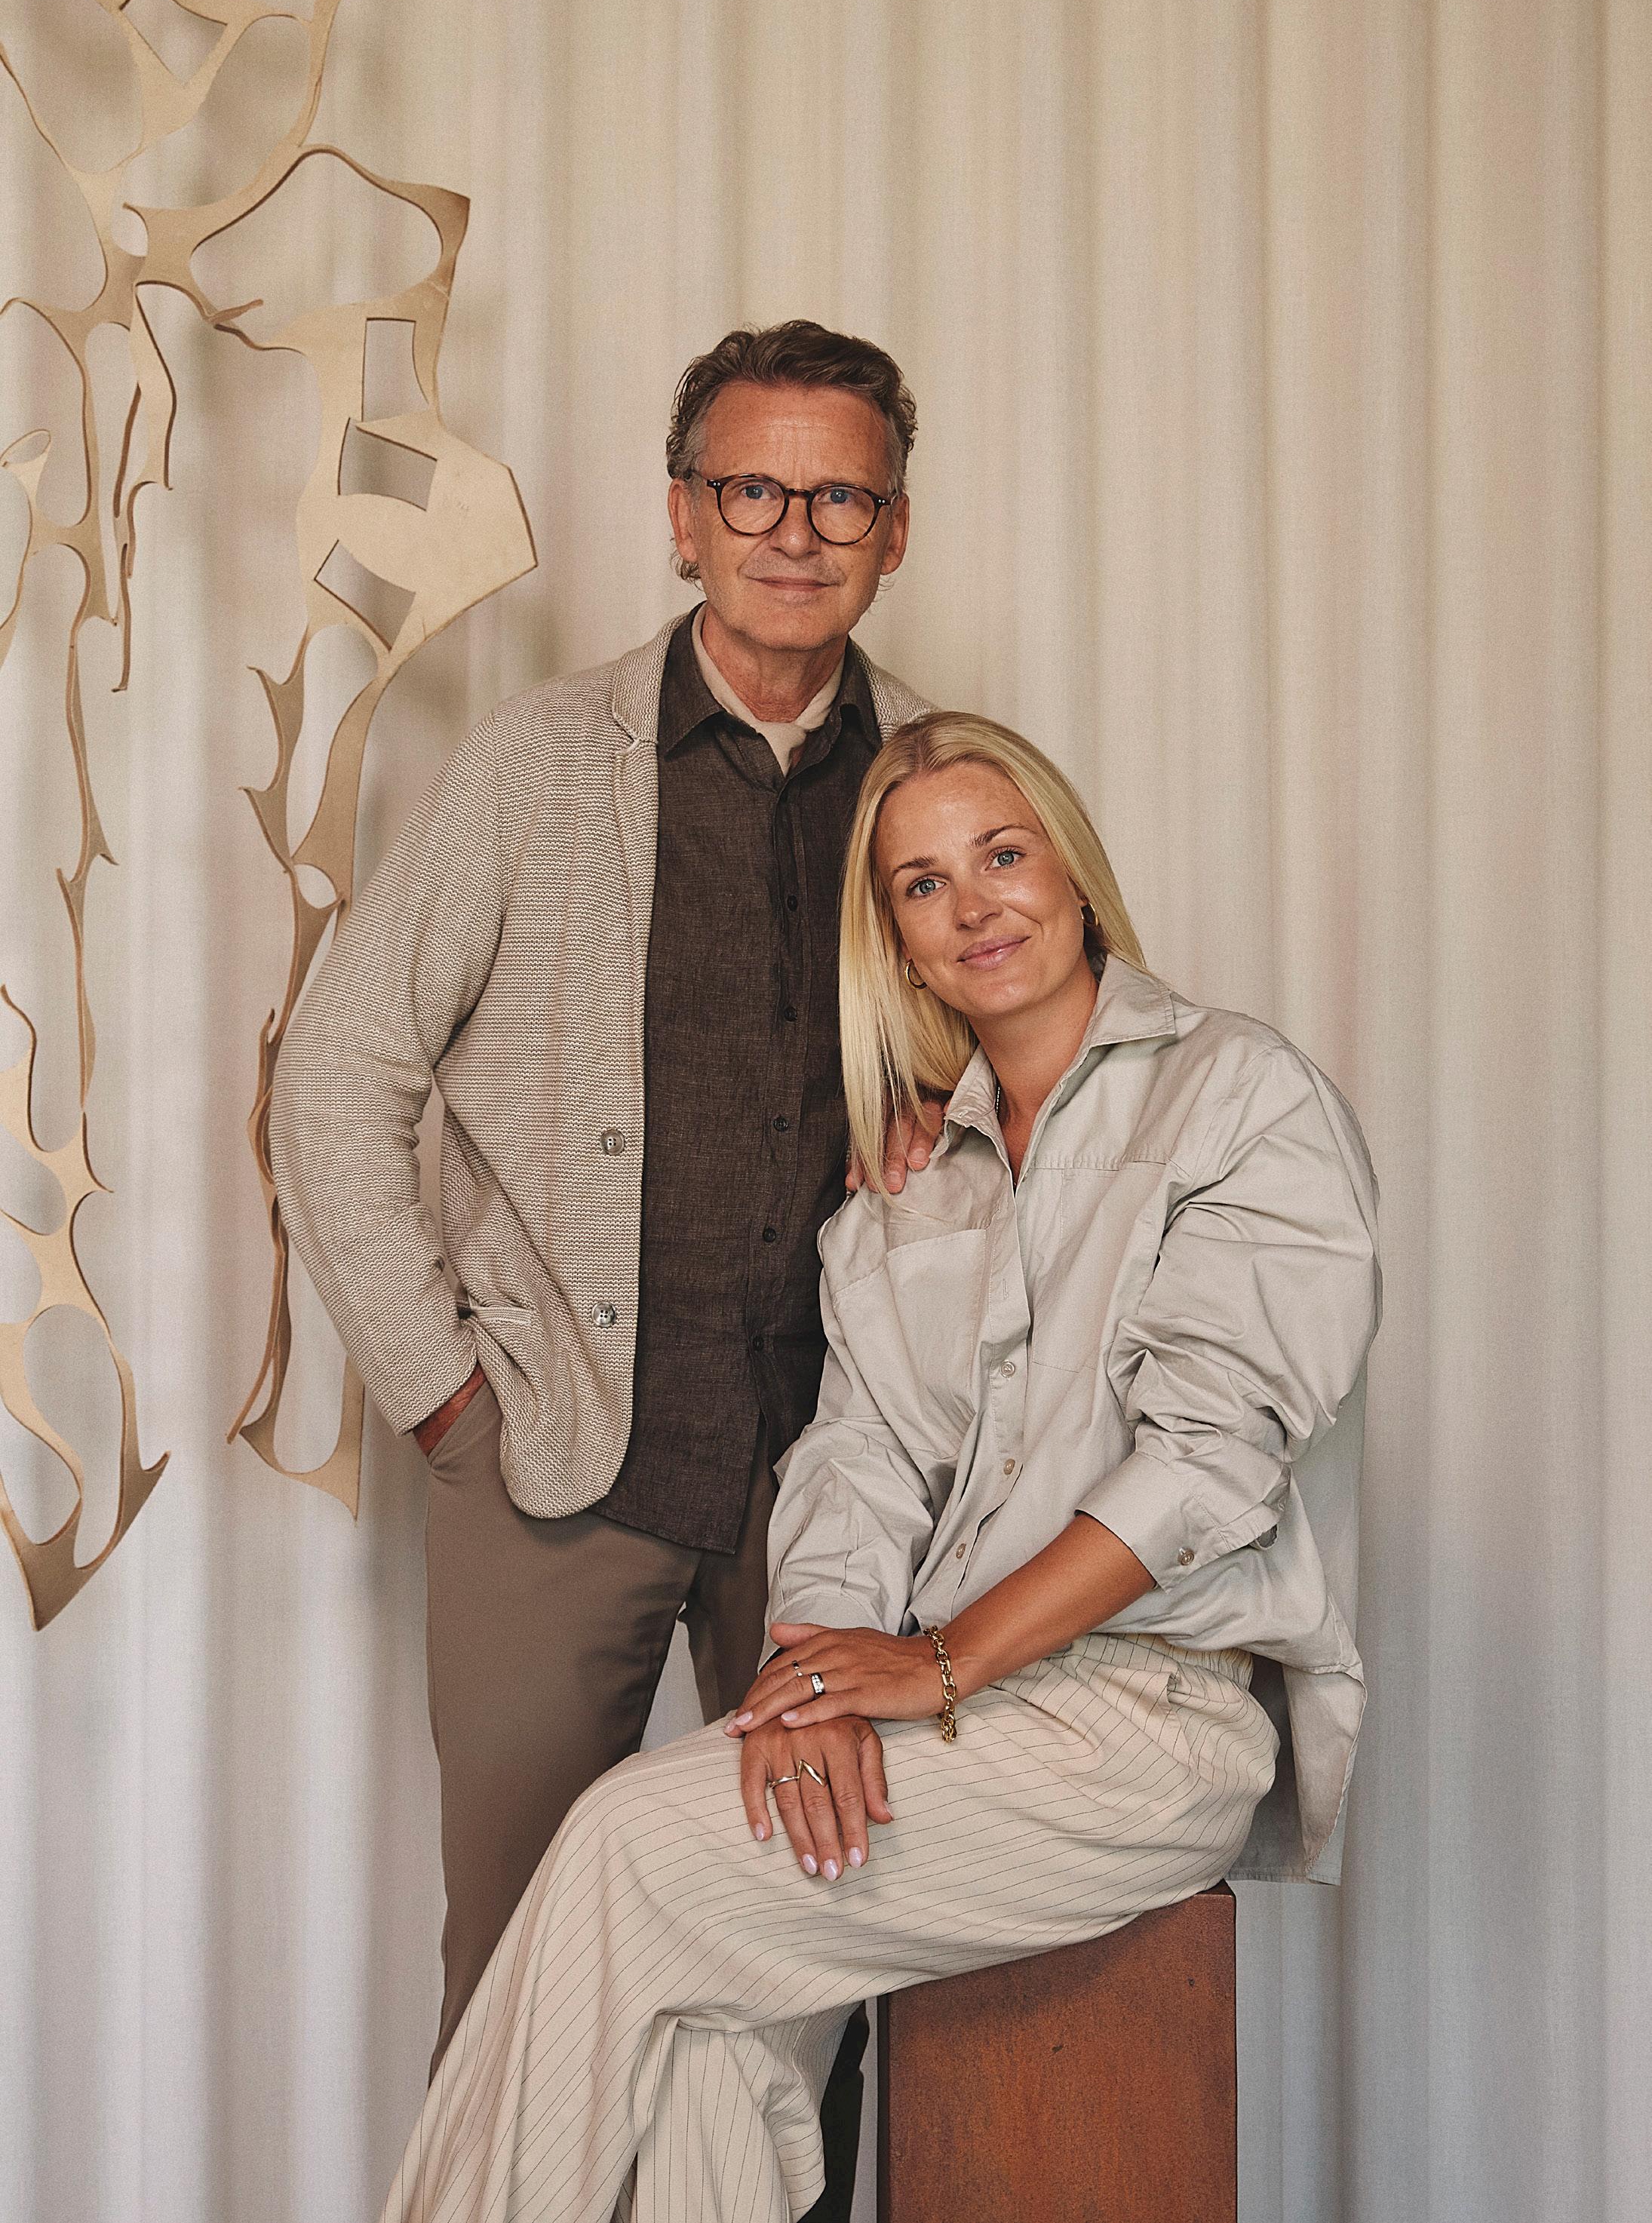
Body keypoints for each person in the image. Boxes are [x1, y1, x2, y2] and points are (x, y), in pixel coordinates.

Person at [379, 710, 1382, 2223]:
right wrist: (814, 1681)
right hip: (942, 1721)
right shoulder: (907, 1187)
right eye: (923, 885)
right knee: (709, 2034)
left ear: (1074, 872)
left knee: (625, 1847)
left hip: (1146, 1720)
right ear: (899, 945)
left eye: (1002, 855)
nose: (974, 905)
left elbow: (1207, 1462)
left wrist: (939, 1661)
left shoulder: (1240, 1095)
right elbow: (856, 1460)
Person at [269, 321, 938, 2209]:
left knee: (821, 1969)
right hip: (557, 1460)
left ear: (893, 531)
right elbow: (340, 1073)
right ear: (681, 516)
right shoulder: (547, 757)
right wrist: (444, 1395)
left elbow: (1020, 1054)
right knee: (521, 1980)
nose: (793, 529)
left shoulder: (934, 783)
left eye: (839, 496)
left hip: (844, 1486)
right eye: (753, 488)